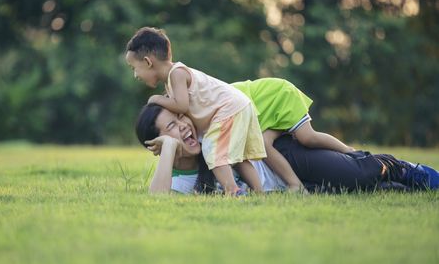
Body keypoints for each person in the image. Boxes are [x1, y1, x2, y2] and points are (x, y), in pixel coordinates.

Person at [136, 103, 439, 194]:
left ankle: (411, 170)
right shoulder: (176, 180)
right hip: (287, 190)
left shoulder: (208, 129)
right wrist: (168, 151)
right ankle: (408, 184)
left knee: (359, 174)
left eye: (180, 118)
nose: (183, 126)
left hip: (286, 156)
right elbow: (158, 202)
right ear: (157, 142)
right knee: (373, 191)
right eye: (171, 127)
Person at [125, 27, 265, 196]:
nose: (135, 74)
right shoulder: (172, 80)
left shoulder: (176, 74)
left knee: (212, 150)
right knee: (238, 158)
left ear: (148, 62)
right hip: (238, 105)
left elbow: (182, 106)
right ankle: (259, 192)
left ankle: (232, 190)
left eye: (134, 67)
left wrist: (156, 99)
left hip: (228, 109)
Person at [232, 78, 355, 193]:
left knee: (307, 137)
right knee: (264, 143)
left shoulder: (225, 96)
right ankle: (296, 185)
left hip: (280, 96)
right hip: (266, 115)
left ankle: (347, 150)